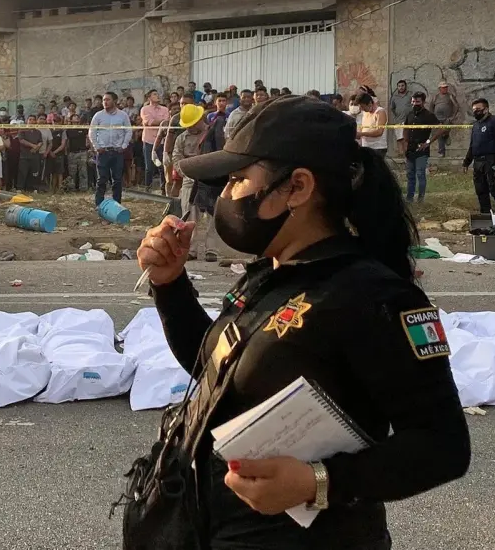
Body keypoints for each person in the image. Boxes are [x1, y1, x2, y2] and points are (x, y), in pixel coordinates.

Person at [122, 95, 469, 550]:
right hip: (212, 525)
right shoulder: (270, 274)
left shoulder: (373, 296)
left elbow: (443, 446)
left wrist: (317, 482)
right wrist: (170, 285)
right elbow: (216, 374)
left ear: (298, 187)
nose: (225, 196)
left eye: (239, 180)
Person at [170, 103, 216, 261]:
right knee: (190, 216)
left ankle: (211, 250)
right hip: (190, 180)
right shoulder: (181, 138)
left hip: (210, 179)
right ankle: (191, 249)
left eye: (192, 124)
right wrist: (186, 173)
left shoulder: (212, 135)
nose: (189, 128)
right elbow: (176, 157)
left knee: (212, 216)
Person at [462, 98, 495, 215]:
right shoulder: (476, 125)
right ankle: (485, 215)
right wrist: (466, 162)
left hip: (492, 160)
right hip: (478, 162)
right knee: (481, 190)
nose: (475, 112)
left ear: (486, 109)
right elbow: (473, 145)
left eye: (478, 109)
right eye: (474, 110)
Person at [90, 91, 130, 206]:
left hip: (117, 152)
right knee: (101, 179)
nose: (105, 102)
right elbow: (92, 132)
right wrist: (97, 147)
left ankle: (117, 205)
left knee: (117, 180)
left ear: (115, 101)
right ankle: (99, 205)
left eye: (108, 99)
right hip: (103, 152)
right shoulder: (98, 115)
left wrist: (124, 146)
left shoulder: (123, 115)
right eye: (104, 100)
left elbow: (128, 131)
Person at [401, 92, 440, 203]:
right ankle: (409, 198)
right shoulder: (409, 114)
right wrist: (405, 143)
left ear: (423, 102)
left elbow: (441, 129)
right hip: (410, 149)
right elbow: (405, 128)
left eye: (417, 101)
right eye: (413, 101)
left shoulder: (429, 115)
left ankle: (420, 199)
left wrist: (428, 142)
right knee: (410, 175)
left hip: (422, 150)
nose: (415, 104)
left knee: (420, 174)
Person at [141, 89, 170, 191]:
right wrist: (160, 122)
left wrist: (157, 122)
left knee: (162, 166)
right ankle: (148, 188)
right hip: (149, 141)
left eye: (158, 94)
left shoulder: (165, 109)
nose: (157, 96)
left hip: (161, 142)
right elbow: (149, 122)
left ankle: (163, 188)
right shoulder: (144, 109)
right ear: (149, 98)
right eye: (154, 94)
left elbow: (166, 123)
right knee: (149, 167)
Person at [428, 81, 460, 157]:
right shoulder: (435, 97)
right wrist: (433, 117)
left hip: (447, 119)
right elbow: (431, 107)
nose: (445, 89)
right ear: (440, 88)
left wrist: (452, 116)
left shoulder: (450, 96)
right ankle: (441, 152)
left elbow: (456, 106)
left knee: (444, 132)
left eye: (446, 87)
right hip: (437, 119)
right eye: (443, 87)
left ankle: (446, 135)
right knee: (440, 134)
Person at [355, 91, 389, 156]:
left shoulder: (380, 112)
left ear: (370, 103)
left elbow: (379, 132)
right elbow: (363, 127)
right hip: (366, 146)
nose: (362, 109)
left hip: (378, 147)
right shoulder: (364, 113)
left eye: (363, 106)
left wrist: (362, 134)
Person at [16, 116, 44, 192]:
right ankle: (20, 188)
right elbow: (21, 140)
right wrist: (32, 145)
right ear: (27, 121)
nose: (32, 121)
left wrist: (36, 148)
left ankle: (33, 188)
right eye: (30, 119)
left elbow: (40, 142)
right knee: (22, 172)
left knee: (34, 173)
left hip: (35, 156)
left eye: (33, 120)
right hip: (24, 156)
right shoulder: (22, 130)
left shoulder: (38, 132)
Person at [64, 112, 91, 191]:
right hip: (72, 153)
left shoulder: (83, 128)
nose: (76, 119)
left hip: (82, 152)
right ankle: (71, 188)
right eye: (74, 118)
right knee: (72, 172)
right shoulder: (68, 130)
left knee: (83, 171)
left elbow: (88, 138)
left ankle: (83, 188)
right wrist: (66, 152)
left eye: (77, 118)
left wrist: (91, 149)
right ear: (71, 120)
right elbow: (66, 141)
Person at [388, 80, 411, 152]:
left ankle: (407, 153)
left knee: (406, 138)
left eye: (402, 85)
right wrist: (397, 114)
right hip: (398, 120)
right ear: (397, 87)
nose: (401, 87)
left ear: (405, 86)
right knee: (399, 138)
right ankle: (401, 153)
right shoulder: (394, 97)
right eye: (399, 86)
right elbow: (392, 108)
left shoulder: (410, 95)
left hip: (408, 120)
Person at [46, 117, 67, 193]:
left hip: (59, 154)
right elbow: (47, 143)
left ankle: (60, 188)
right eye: (55, 122)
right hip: (50, 153)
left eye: (58, 122)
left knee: (60, 172)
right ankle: (53, 189)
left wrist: (54, 152)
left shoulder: (63, 132)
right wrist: (50, 152)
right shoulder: (50, 131)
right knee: (53, 173)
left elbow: (63, 144)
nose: (56, 123)